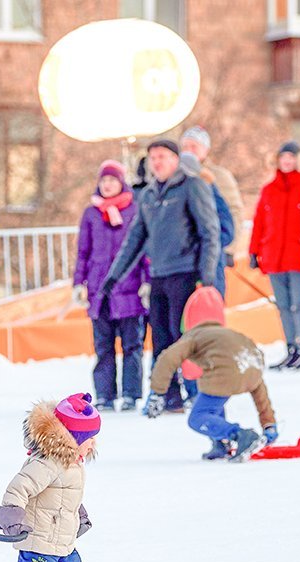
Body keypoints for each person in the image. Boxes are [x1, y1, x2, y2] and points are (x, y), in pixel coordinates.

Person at [102, 139, 221, 413]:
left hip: (187, 273)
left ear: (176, 160)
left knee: (188, 338)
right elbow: (135, 238)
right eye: (153, 157)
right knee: (160, 338)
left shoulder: (192, 186)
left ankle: (202, 393)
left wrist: (207, 277)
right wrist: (114, 276)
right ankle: (170, 396)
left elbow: (209, 233)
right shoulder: (149, 195)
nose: (157, 162)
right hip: (159, 275)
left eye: (163, 157)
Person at [0, 393, 100, 562]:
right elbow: (18, 488)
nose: (92, 445)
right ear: (73, 438)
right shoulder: (48, 462)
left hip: (62, 542)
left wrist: (80, 515)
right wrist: (12, 517)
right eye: (89, 439)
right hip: (38, 540)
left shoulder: (72, 464)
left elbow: (64, 496)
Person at [144, 287, 276, 462]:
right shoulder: (230, 334)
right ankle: (221, 443)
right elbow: (258, 385)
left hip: (223, 373)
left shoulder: (194, 336)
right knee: (213, 408)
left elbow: (167, 359)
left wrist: (158, 393)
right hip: (252, 367)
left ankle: (239, 435)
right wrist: (269, 424)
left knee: (198, 417)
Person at [248, 141, 300, 370]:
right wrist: (254, 251)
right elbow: (260, 223)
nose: (286, 161)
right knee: (282, 305)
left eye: (291, 157)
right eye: (283, 157)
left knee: (299, 304)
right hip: (274, 256)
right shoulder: (269, 189)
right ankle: (290, 348)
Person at [72, 160, 146, 412]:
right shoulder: (91, 213)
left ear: (121, 182)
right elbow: (83, 250)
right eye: (104, 180)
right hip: (99, 289)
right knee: (103, 345)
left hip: (130, 288)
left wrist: (146, 282)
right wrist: (79, 282)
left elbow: (143, 250)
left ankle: (131, 393)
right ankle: (104, 394)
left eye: (112, 180)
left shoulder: (134, 210)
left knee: (132, 344)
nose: (107, 185)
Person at [180, 126, 247, 266]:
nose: (189, 150)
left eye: (194, 146)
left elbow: (235, 211)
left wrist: (230, 247)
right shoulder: (176, 176)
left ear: (206, 150)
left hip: (213, 248)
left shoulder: (219, 176)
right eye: (185, 146)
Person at [179, 152, 235, 299]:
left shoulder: (211, 192)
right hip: (181, 271)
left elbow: (227, 230)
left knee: (209, 315)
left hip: (211, 268)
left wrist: (206, 245)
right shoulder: (172, 197)